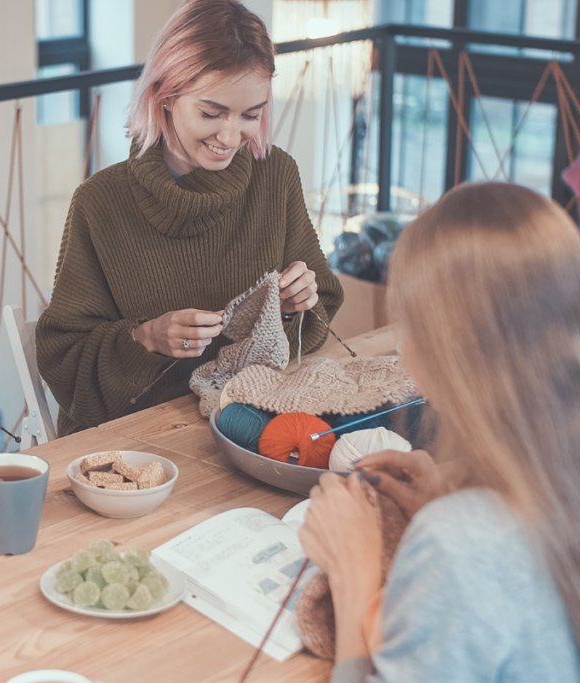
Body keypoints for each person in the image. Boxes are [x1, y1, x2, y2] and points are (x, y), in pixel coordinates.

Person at [299, 183, 580, 682]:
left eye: (411, 327)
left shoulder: (458, 545)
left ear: (447, 351)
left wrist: (353, 573)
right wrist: (457, 490)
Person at [35, 0, 343, 436]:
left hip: (248, 424)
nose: (230, 136)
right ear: (165, 95)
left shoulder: (276, 175)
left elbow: (320, 312)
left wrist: (296, 304)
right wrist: (146, 340)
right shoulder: (100, 202)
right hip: (137, 442)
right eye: (211, 113)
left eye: (250, 115)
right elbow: (64, 358)